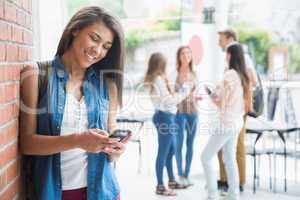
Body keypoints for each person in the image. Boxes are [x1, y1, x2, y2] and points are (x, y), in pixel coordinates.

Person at [20, 6, 129, 200]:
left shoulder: (108, 85)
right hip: (55, 194)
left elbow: (111, 142)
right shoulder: (36, 75)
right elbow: (27, 143)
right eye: (95, 38)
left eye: (106, 46)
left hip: (103, 192)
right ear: (76, 29)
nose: (98, 50)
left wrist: (115, 150)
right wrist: (78, 140)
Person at [201, 44, 252, 200]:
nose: (225, 56)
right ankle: (233, 195)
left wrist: (211, 93)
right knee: (229, 158)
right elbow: (227, 102)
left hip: (227, 123)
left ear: (230, 55)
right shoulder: (243, 76)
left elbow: (219, 98)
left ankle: (212, 195)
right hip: (237, 122)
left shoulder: (229, 74)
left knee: (206, 157)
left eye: (226, 53)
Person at [144, 52, 192, 196]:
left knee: (170, 151)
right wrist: (184, 92)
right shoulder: (157, 79)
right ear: (161, 65)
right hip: (165, 117)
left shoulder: (157, 78)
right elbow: (169, 101)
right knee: (163, 153)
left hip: (166, 116)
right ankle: (160, 185)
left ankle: (171, 180)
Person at [217, 29, 257, 192]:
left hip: (237, 110)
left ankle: (238, 182)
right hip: (230, 109)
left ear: (230, 39)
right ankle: (225, 179)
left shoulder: (242, 56)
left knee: (237, 145)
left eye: (221, 39)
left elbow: (251, 81)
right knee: (225, 146)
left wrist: (238, 99)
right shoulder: (230, 60)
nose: (219, 42)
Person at [174, 46, 200, 187]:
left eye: (188, 53)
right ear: (179, 56)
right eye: (183, 53)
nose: (186, 55)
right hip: (180, 113)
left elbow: (196, 91)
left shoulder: (195, 73)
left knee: (190, 145)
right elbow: (172, 93)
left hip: (193, 112)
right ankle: (180, 174)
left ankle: (187, 175)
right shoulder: (175, 73)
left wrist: (196, 95)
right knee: (179, 144)